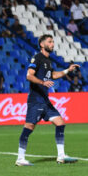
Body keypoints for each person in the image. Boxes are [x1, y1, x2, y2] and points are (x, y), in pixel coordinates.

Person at [15, 34, 79, 166]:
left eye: (53, 42)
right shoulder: (37, 58)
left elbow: (53, 75)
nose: (52, 44)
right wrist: (42, 83)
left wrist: (68, 70)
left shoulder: (48, 61)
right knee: (29, 128)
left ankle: (61, 156)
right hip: (36, 100)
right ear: (42, 45)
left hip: (45, 100)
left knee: (60, 123)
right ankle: (20, 158)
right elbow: (29, 75)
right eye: (50, 42)